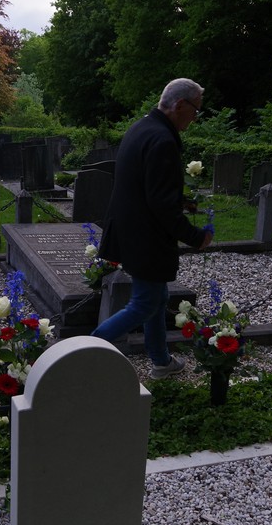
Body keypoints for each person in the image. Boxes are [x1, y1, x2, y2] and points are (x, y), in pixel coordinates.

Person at [92, 78, 214, 377]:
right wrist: (195, 236)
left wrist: (182, 201)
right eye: (195, 110)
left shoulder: (142, 127)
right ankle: (80, 352)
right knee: (145, 303)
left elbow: (147, 185)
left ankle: (161, 361)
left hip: (132, 230)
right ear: (180, 105)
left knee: (157, 300)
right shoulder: (162, 140)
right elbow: (160, 205)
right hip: (146, 237)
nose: (195, 118)